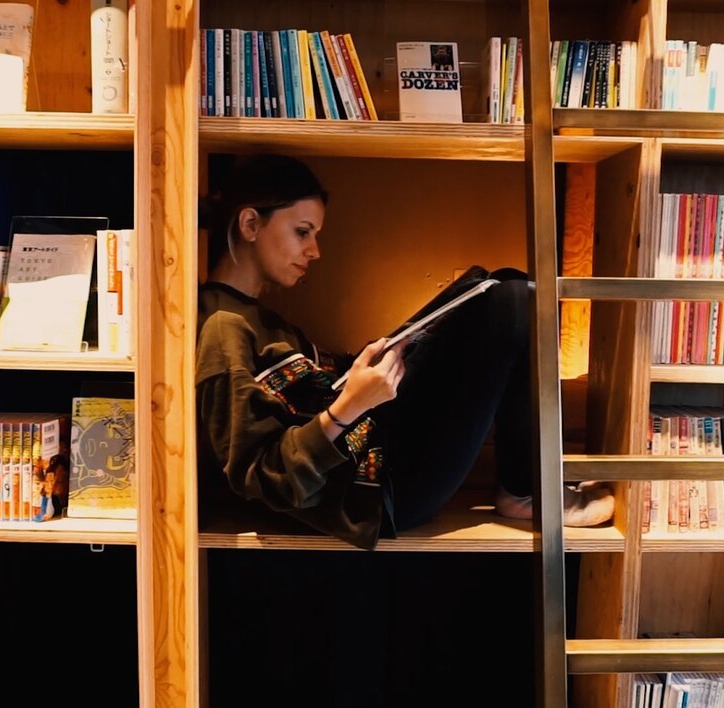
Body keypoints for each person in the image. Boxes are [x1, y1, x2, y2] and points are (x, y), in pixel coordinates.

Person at [196, 154, 613, 550]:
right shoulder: (222, 326)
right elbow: (263, 475)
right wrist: (349, 406)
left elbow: (314, 396)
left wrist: (375, 364)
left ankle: (523, 483)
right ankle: (523, 489)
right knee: (514, 301)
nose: (315, 250)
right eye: (303, 232)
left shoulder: (263, 318)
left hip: (379, 447)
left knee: (499, 288)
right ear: (250, 223)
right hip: (380, 490)